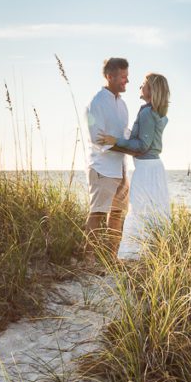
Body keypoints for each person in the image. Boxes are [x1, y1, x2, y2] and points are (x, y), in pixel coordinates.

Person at [97, 73, 170, 262]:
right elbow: (145, 142)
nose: (140, 86)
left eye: (144, 84)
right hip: (155, 168)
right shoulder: (158, 113)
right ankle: (154, 253)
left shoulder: (146, 112)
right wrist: (121, 140)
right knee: (155, 211)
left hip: (146, 170)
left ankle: (133, 256)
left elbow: (142, 146)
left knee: (139, 209)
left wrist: (115, 141)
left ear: (151, 90)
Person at [84, 57, 131, 260]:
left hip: (121, 169)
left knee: (118, 215)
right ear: (109, 76)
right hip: (102, 169)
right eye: (123, 77)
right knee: (98, 213)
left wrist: (132, 144)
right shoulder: (96, 102)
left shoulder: (122, 105)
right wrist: (123, 143)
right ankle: (88, 259)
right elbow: (97, 138)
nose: (126, 81)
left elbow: (124, 134)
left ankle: (111, 257)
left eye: (127, 76)